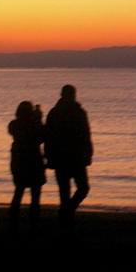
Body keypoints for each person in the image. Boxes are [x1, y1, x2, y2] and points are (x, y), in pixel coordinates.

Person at [45, 84, 93, 232]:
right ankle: (67, 219)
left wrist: (49, 156)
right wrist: (88, 152)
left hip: (65, 157)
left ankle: (66, 215)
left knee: (68, 192)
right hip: (73, 156)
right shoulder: (76, 112)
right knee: (79, 188)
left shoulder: (55, 112)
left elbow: (49, 136)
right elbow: (85, 134)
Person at [8, 100, 46, 233]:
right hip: (33, 162)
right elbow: (40, 137)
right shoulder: (30, 126)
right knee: (35, 196)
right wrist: (39, 120)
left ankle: (13, 222)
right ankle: (33, 224)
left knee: (18, 192)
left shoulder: (14, 125)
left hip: (19, 162)